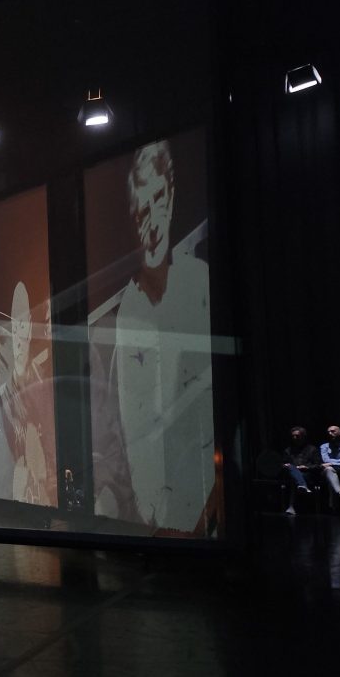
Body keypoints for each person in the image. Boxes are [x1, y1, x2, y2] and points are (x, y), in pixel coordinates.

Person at [103, 139, 215, 534]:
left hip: (198, 495)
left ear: (172, 195)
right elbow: (128, 419)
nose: (151, 222)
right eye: (140, 212)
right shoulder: (128, 311)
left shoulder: (200, 284)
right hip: (152, 508)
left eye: (158, 202)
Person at [282, 425, 319, 515]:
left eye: (297, 436)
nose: (294, 438)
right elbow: (283, 464)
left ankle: (291, 506)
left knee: (296, 477)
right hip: (291, 473)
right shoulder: (288, 450)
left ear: (303, 436)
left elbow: (318, 465)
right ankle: (302, 485)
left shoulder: (312, 449)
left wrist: (307, 467)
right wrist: (285, 465)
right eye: (293, 436)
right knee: (291, 468)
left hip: (307, 474)